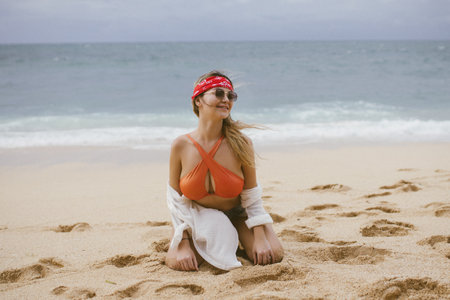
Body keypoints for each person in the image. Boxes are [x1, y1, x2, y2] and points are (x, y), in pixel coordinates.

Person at [165, 70, 284, 272]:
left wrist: (260, 237)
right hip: (198, 216)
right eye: (218, 93)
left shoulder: (242, 143)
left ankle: (237, 235)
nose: (226, 99)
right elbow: (175, 200)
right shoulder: (180, 145)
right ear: (198, 101)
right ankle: (221, 238)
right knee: (179, 262)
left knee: (272, 254)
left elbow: (252, 196)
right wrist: (183, 241)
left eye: (231, 96)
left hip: (239, 214)